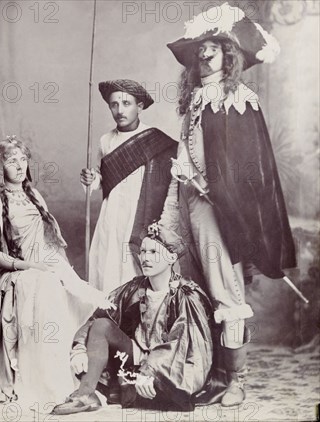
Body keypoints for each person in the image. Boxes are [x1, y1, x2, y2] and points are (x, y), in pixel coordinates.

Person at [159, 3, 296, 407]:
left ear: (229, 56)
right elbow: (187, 157)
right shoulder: (198, 98)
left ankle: (237, 379)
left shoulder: (237, 97)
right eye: (200, 52)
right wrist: (177, 195)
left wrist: (205, 185)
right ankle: (212, 372)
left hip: (219, 207)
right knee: (195, 288)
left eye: (212, 51)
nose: (203, 57)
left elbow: (246, 166)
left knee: (227, 291)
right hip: (189, 203)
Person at [0, 137, 113, 407]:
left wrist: (63, 271)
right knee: (44, 286)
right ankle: (47, 381)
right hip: (16, 270)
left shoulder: (34, 195)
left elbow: (50, 243)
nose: (19, 165)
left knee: (83, 294)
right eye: (11, 160)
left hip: (47, 263)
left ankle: (77, 377)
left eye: (22, 159)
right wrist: (29, 265)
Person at [52, 223, 214, 415]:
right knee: (102, 325)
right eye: (143, 251)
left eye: (154, 252)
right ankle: (85, 394)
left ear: (171, 257)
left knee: (163, 385)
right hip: (134, 360)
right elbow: (99, 316)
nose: (145, 257)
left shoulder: (186, 295)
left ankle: (137, 388)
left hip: (169, 371)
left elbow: (187, 346)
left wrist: (150, 371)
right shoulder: (134, 288)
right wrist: (79, 348)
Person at [81, 79, 177, 294]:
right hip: (112, 213)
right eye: (114, 104)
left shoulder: (155, 139)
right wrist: (91, 180)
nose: (119, 110)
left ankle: (137, 312)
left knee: (135, 261)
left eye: (126, 103)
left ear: (139, 107)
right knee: (109, 260)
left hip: (140, 212)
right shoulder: (106, 140)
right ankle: (110, 312)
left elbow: (169, 181)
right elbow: (101, 178)